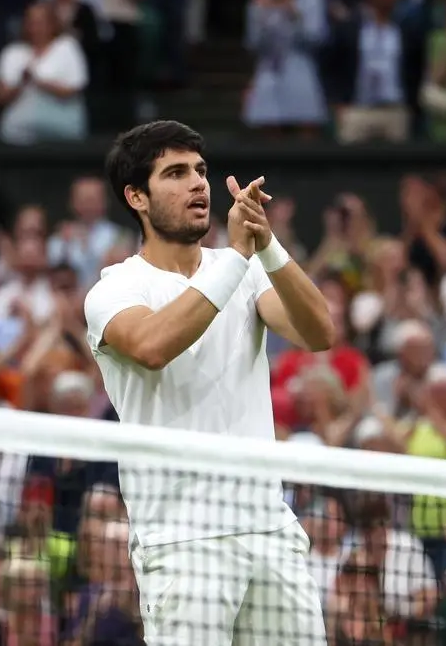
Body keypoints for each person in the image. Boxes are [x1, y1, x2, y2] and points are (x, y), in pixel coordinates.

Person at [83, 120, 335, 644]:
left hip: (268, 527)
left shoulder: (245, 268)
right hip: (182, 539)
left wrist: (267, 247)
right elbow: (153, 347)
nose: (197, 183)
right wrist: (240, 258)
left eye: (200, 170)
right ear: (137, 197)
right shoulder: (116, 289)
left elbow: (319, 332)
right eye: (175, 173)